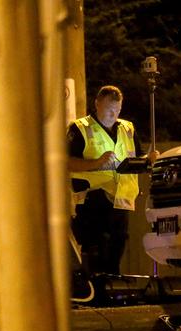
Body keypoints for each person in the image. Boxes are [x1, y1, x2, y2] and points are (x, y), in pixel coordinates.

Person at [67, 85, 159, 275]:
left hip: (121, 199)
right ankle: (96, 288)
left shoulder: (127, 128)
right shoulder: (80, 128)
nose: (113, 114)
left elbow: (137, 159)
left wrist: (148, 160)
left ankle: (112, 288)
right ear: (97, 104)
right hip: (93, 197)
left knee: (117, 245)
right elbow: (67, 162)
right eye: (109, 109)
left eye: (117, 110)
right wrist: (97, 162)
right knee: (97, 246)